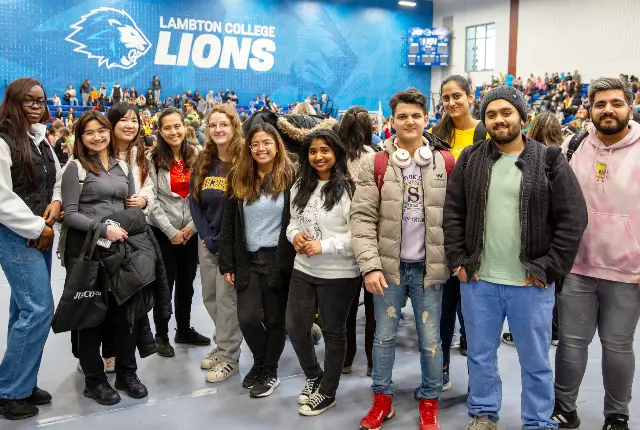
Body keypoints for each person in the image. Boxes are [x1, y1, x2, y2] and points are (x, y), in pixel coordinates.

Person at [443, 86, 588, 430]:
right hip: (480, 281)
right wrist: (458, 260)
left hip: (531, 284)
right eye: (491, 114)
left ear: (522, 118)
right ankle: (483, 413)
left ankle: (538, 421)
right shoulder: (471, 159)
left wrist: (548, 268)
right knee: (479, 356)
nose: (499, 120)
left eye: (506, 113)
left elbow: (574, 218)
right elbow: (453, 213)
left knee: (535, 361)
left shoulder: (549, 159)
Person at [352, 88, 450, 430]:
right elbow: (362, 218)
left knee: (431, 341)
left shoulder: (445, 162)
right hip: (388, 271)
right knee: (383, 338)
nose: (409, 121)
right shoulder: (375, 163)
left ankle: (429, 401)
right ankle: (382, 400)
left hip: (429, 271)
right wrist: (370, 265)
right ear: (391, 122)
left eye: (416, 116)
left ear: (427, 119)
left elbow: (456, 219)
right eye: (402, 116)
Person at [553, 78, 640, 430]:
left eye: (616, 103)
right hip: (577, 268)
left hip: (627, 272)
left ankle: (617, 414)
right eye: (601, 103)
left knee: (618, 348)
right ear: (589, 108)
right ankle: (564, 408)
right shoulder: (572, 146)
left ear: (629, 108)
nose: (608, 110)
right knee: (571, 346)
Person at [61, 110, 147, 405]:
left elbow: (131, 205)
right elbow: (70, 214)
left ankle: (126, 372)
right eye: (89, 132)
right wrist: (103, 228)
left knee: (125, 314)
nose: (97, 136)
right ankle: (94, 380)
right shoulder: (75, 167)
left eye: (101, 130)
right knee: (91, 316)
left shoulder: (124, 166)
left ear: (109, 132)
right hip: (88, 251)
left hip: (120, 251)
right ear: (80, 138)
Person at [285, 129, 360, 416]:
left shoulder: (350, 189)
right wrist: (296, 238)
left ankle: (328, 392)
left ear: (337, 153)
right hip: (303, 268)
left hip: (339, 274)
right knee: (295, 327)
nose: (318, 156)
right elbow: (292, 222)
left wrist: (323, 245)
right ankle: (314, 375)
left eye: (325, 150)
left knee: (333, 332)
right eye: (313, 151)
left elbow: (359, 235)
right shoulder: (300, 185)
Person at [219, 123, 296, 399]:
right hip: (247, 259)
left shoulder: (291, 176)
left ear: (277, 145)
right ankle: (263, 363)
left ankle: (268, 370)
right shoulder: (239, 177)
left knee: (275, 320)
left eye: (266, 143)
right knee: (248, 318)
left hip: (279, 258)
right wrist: (227, 262)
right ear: (249, 148)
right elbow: (229, 222)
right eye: (255, 144)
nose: (261, 149)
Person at [0, 78, 61, 420]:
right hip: (16, 235)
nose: (37, 106)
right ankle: (9, 390)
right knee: (38, 309)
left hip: (40, 232)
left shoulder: (39, 139)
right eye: (29, 101)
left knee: (22, 310)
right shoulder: (2, 140)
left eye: (40, 100)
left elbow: (53, 180)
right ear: (14, 102)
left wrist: (54, 204)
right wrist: (40, 227)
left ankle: (22, 381)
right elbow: (2, 198)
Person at [430, 75, 489, 390]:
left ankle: (479, 382)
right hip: (439, 233)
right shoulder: (435, 135)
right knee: (443, 307)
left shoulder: (486, 132)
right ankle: (441, 370)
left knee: (475, 310)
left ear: (470, 95)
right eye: (446, 97)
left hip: (475, 234)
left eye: (457, 96)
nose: (451, 103)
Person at [148, 107, 210, 357]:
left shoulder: (197, 155)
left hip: (190, 231)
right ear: (160, 132)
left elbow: (202, 195)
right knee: (165, 285)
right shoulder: (152, 159)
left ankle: (183, 329)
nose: (173, 131)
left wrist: (190, 228)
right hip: (164, 232)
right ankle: (161, 334)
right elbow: (151, 200)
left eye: (177, 126)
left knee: (186, 285)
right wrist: (171, 231)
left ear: (185, 127)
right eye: (167, 127)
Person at [189, 104, 244, 384]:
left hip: (232, 244)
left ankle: (228, 357)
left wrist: (223, 240)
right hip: (207, 241)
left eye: (224, 124)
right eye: (213, 125)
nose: (218, 130)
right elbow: (193, 201)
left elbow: (243, 206)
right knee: (209, 297)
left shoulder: (244, 159)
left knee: (227, 302)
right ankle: (222, 341)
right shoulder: (203, 160)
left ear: (234, 127)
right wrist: (206, 236)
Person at [338, 106, 376, 377]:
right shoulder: (376, 156)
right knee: (373, 306)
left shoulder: (336, 157)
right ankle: (373, 360)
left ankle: (347, 357)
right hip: (371, 237)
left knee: (347, 306)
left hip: (344, 237)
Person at [106, 103, 154, 214]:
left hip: (132, 222)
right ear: (111, 123)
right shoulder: (98, 151)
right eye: (123, 120)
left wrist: (144, 200)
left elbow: (147, 185)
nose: (130, 125)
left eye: (134, 121)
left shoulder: (139, 155)